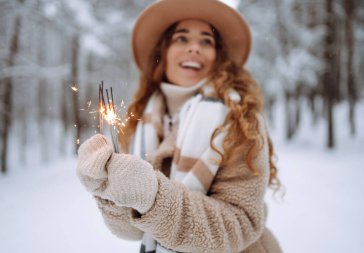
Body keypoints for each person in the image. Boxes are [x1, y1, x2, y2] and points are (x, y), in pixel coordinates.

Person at [77, 0, 282, 252]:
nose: (194, 48)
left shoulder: (240, 120)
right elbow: (134, 231)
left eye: (206, 41)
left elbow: (241, 224)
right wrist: (107, 191)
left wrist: (153, 195)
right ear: (163, 53)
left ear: (219, 57)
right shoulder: (141, 122)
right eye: (181, 39)